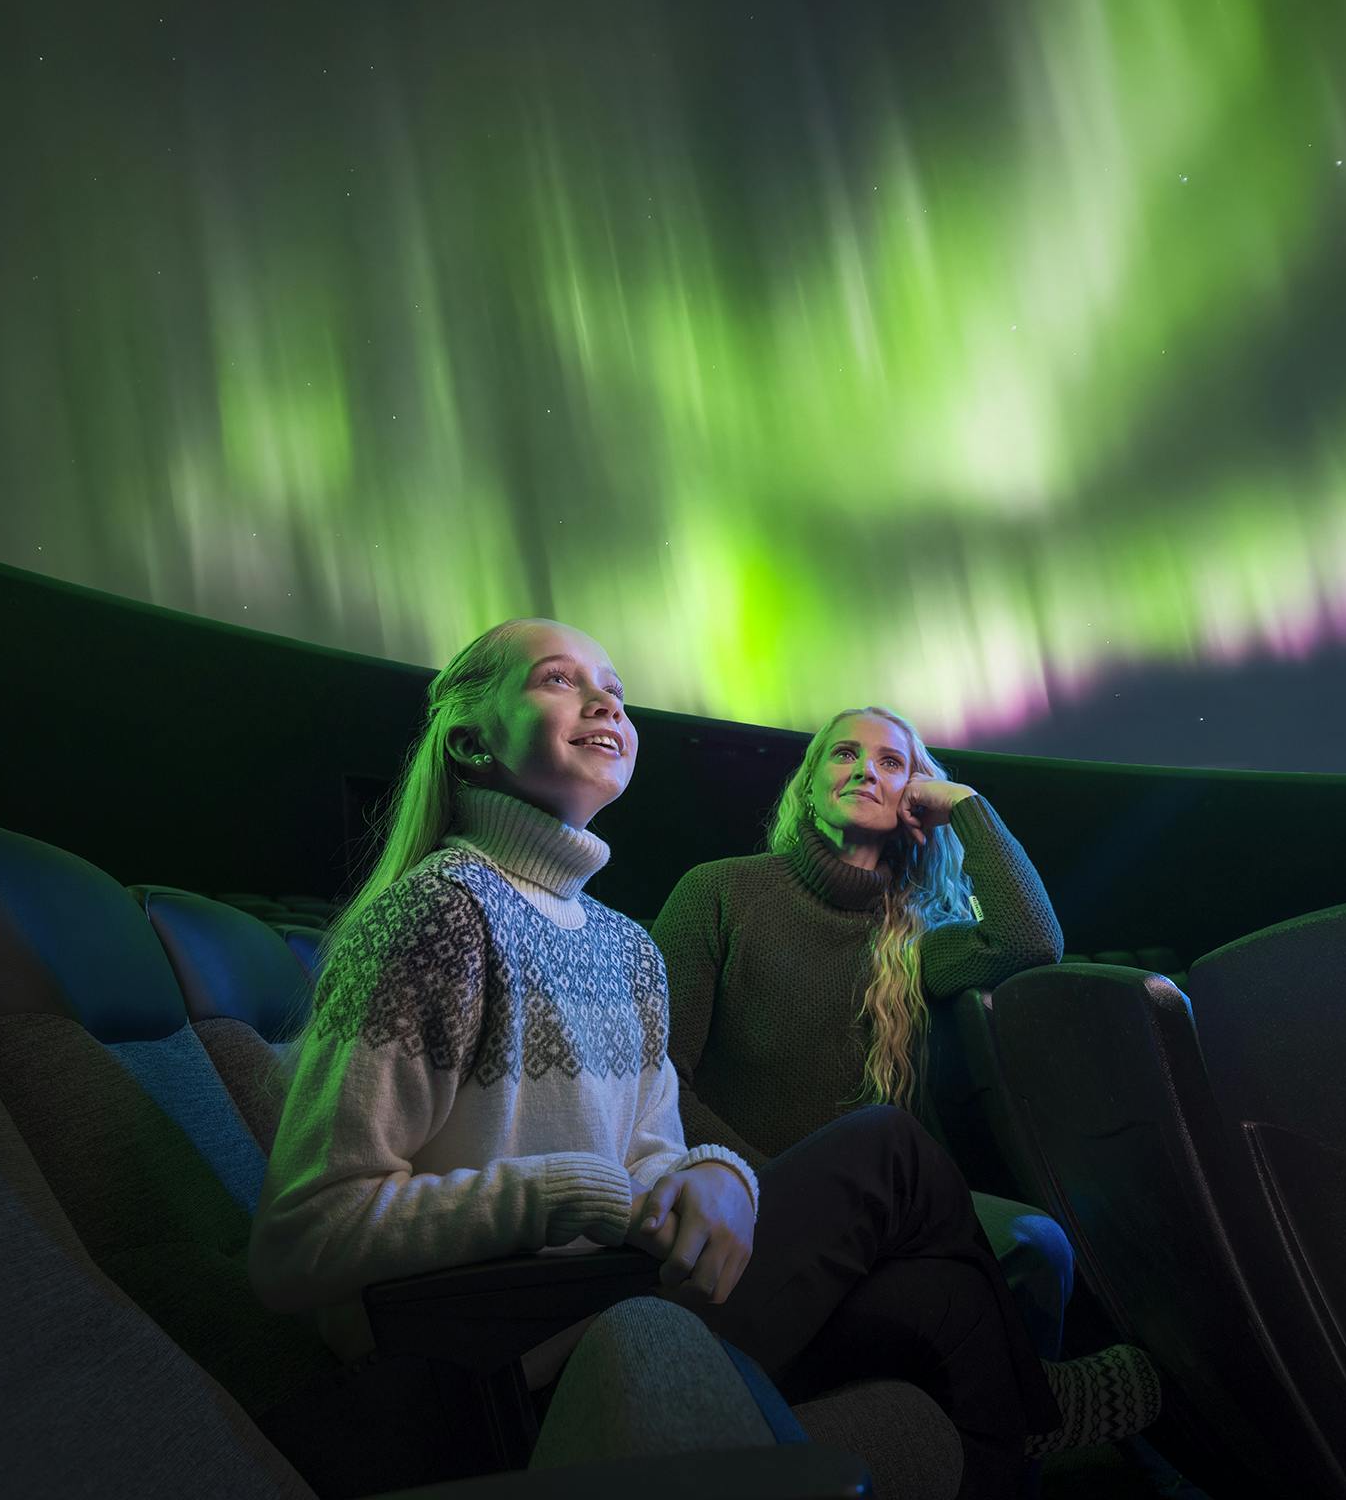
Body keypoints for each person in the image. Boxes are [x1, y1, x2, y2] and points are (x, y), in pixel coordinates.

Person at [252, 623, 1155, 1499]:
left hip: (650, 1273)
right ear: (469, 742)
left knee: (944, 1304)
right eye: (559, 678)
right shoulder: (441, 915)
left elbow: (653, 1148)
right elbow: (302, 1241)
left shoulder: (621, 945)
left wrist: (716, 1176)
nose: (605, 702)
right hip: (524, 1334)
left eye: (615, 690)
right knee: (888, 1148)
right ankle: (1041, 1400)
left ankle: (1025, 1422)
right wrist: (597, 1189)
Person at [650, 707, 1079, 1352]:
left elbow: (1031, 941)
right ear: (809, 784)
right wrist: (764, 1184)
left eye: (891, 762)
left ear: (913, 795)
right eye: (845, 754)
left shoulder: (918, 935)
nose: (865, 772)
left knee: (1036, 1244)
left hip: (885, 1212)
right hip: (749, 1190)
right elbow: (656, 1077)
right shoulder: (719, 891)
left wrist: (966, 804)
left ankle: (1034, 1403)